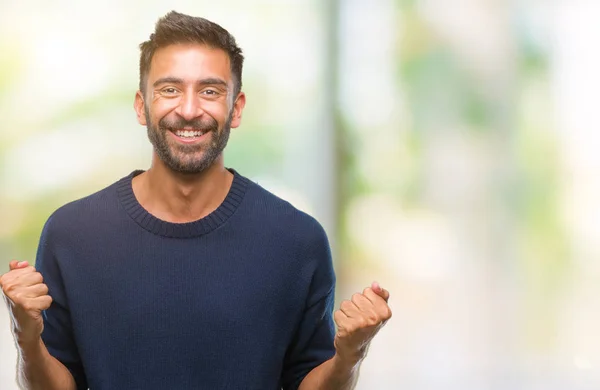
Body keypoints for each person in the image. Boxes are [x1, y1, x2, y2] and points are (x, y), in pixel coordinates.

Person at [0, 11, 392, 390]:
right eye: (169, 89)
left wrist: (350, 355)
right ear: (142, 105)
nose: (188, 110)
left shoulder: (297, 240)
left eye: (209, 91)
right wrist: (26, 337)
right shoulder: (72, 234)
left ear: (235, 109)